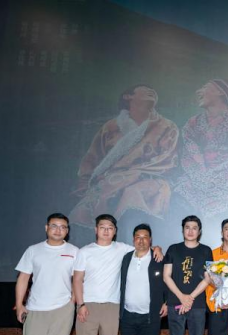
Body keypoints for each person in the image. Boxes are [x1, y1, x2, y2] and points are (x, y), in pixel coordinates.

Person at [72, 214, 162, 335]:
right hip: (89, 306)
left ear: (115, 231)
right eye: (102, 227)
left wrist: (158, 248)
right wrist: (80, 304)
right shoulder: (85, 251)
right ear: (96, 229)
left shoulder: (122, 249)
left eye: (110, 228)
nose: (106, 231)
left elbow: (145, 249)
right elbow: (77, 279)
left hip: (113, 307)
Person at [71, 84, 178, 228]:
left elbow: (167, 159)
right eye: (144, 89)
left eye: (153, 90)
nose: (151, 91)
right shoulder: (111, 127)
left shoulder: (166, 126)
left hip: (150, 178)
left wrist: (132, 174)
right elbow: (93, 157)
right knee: (89, 206)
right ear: (128, 97)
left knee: (132, 194)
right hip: (110, 180)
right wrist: (85, 182)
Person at [8, 213, 78, 335]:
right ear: (46, 228)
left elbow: (78, 278)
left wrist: (73, 300)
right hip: (36, 309)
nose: (58, 230)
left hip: (63, 310)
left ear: (67, 230)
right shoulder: (33, 250)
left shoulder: (74, 251)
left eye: (63, 227)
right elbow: (23, 278)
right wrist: (19, 304)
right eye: (54, 226)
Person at [173, 79, 228, 218]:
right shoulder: (193, 123)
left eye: (204, 87)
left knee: (226, 184)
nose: (199, 91)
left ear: (220, 92)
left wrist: (215, 171)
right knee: (181, 189)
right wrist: (201, 173)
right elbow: (190, 152)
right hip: (198, 173)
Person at [162, 215, 213, 335]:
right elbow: (166, 276)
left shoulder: (206, 251)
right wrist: (182, 297)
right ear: (183, 229)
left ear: (199, 231)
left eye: (194, 228)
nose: (190, 231)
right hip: (175, 303)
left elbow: (208, 278)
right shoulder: (173, 249)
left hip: (197, 305)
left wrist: (190, 297)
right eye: (187, 227)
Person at [118, 224, 167, 335]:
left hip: (150, 316)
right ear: (133, 240)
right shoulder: (125, 258)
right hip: (127, 315)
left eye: (145, 237)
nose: (141, 240)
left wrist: (167, 302)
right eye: (138, 237)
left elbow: (168, 281)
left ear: (150, 240)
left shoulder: (158, 259)